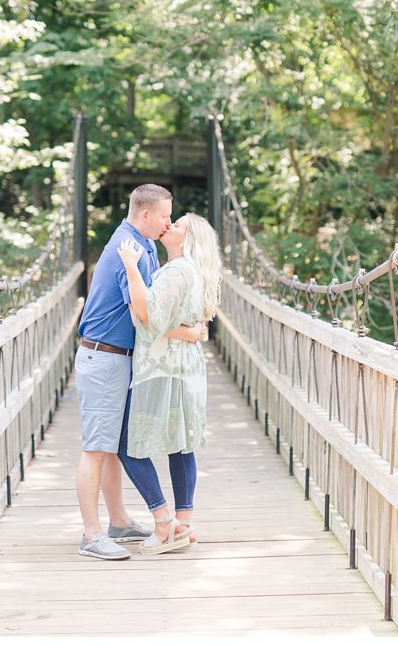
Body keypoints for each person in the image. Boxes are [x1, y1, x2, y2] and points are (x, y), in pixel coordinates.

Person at [74, 184, 207, 560]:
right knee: (97, 449)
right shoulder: (126, 248)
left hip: (122, 357)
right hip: (104, 357)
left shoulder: (145, 245)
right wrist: (189, 333)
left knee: (117, 446)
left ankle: (118, 522)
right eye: (165, 215)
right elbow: (144, 314)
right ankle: (91, 534)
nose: (168, 222)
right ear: (145, 215)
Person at [115, 213, 222, 554]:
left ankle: (164, 524)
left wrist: (131, 267)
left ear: (187, 239)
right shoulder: (195, 272)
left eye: (177, 225)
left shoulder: (175, 271)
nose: (169, 225)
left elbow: (146, 320)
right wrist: (188, 332)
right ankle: (184, 525)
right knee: (181, 443)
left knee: (125, 443)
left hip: (162, 370)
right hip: (186, 370)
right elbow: (187, 323)